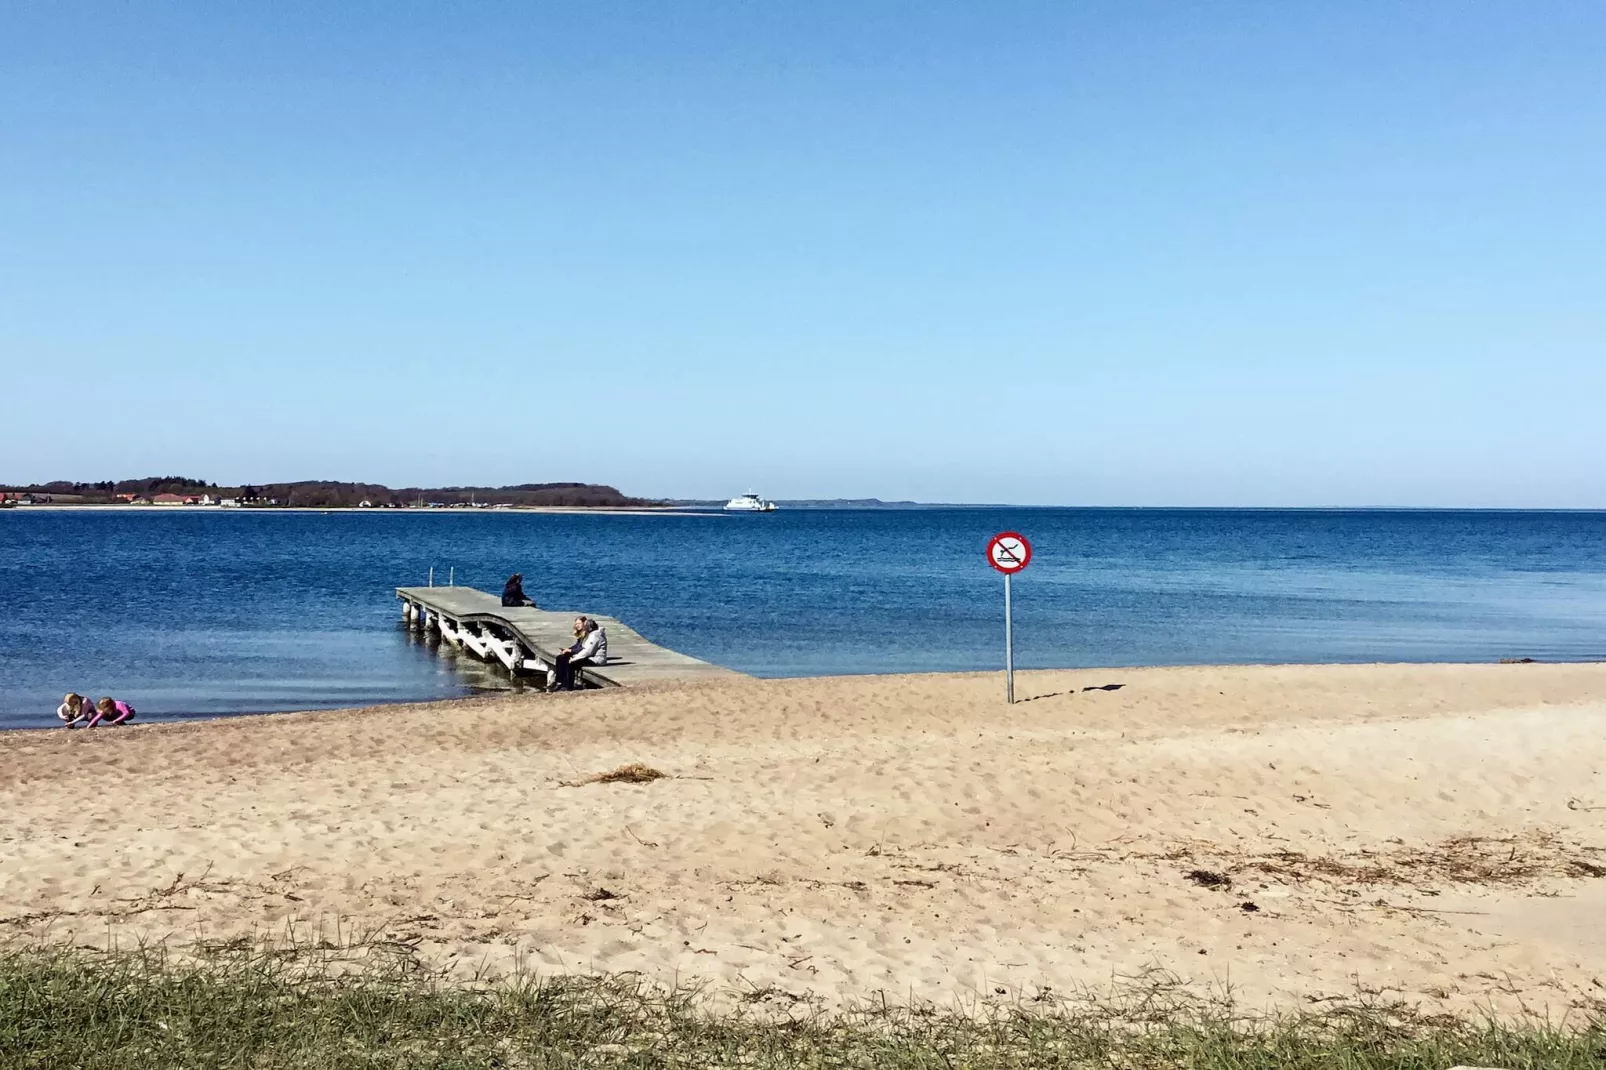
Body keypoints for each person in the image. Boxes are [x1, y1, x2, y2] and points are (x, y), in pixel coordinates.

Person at [547, 616, 607, 692]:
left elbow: (588, 651)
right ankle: (560, 682)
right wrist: (570, 652)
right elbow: (582, 648)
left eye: (585, 626)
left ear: (590, 627)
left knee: (571, 663)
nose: (584, 628)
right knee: (561, 657)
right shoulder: (591, 634)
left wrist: (574, 658)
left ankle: (568, 686)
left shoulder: (595, 636)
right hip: (589, 657)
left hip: (596, 659)